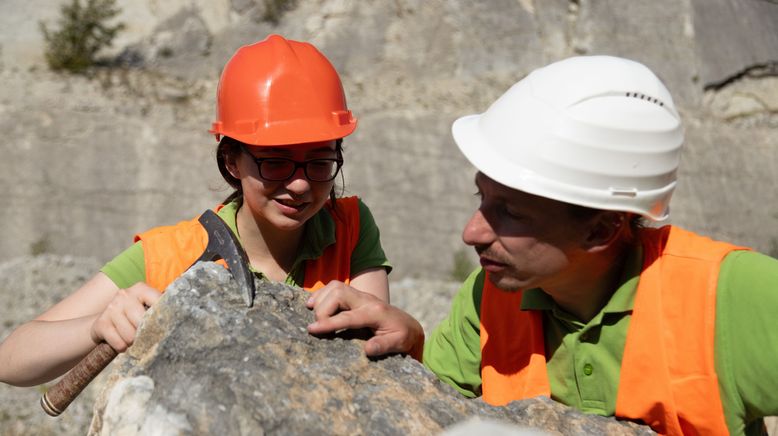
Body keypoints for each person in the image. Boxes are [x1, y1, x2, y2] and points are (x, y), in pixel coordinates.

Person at [306, 55, 778, 435]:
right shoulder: (487, 297)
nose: (472, 233)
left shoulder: (726, 297)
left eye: (510, 211)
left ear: (602, 229)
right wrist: (411, 346)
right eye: (482, 197)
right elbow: (433, 412)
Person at [0, 34, 391, 387]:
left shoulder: (350, 226)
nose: (301, 183)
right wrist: (97, 328)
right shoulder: (170, 255)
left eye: (320, 162)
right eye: (276, 162)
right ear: (232, 161)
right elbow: (11, 361)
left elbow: (379, 361)